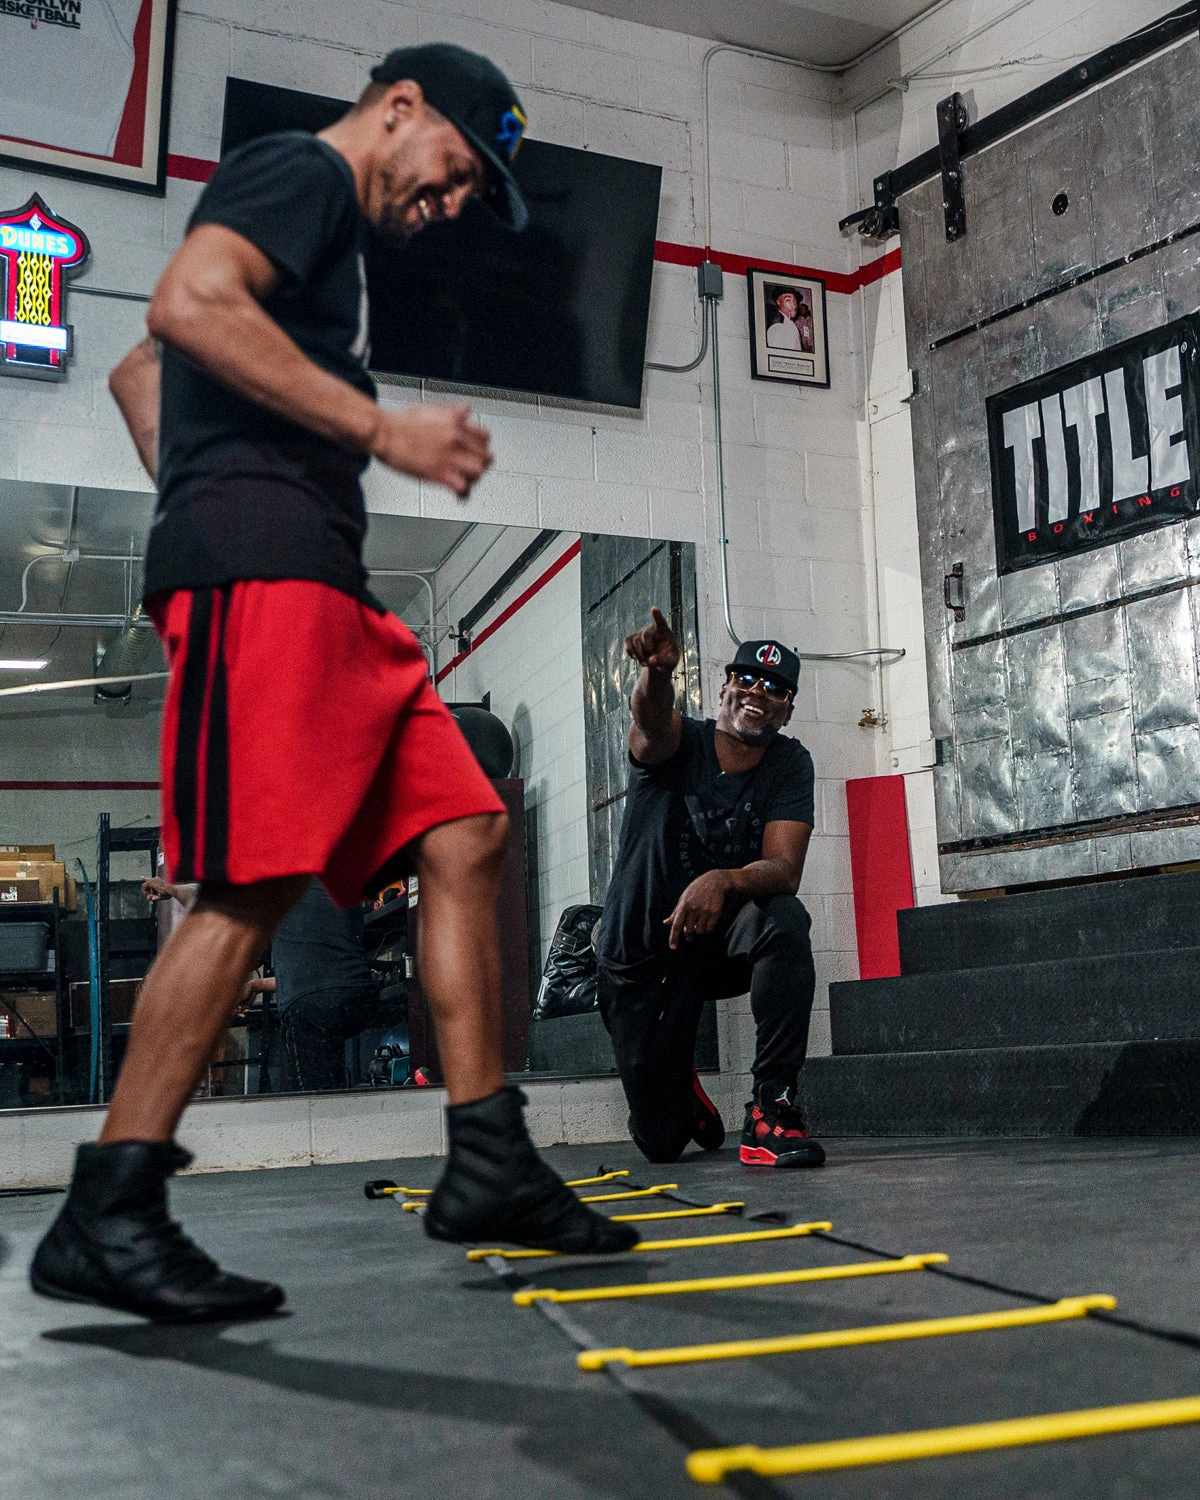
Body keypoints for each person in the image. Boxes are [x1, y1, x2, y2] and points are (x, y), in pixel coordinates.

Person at [31, 43, 635, 1324]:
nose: (453, 203)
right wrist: (358, 439)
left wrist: (210, 481)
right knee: (251, 883)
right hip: (267, 579)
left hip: (323, 583)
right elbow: (187, 304)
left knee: (468, 830)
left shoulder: (329, 245)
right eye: (456, 171)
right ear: (401, 109)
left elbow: (141, 375)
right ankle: (110, 1210)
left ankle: (488, 1159)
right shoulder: (300, 172)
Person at [595, 608, 825, 1170]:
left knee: (784, 919)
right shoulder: (680, 741)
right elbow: (650, 723)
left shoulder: (789, 763)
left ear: (787, 708)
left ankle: (772, 1108)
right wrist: (657, 674)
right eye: (747, 679)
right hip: (640, 952)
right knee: (661, 1143)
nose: (758, 693)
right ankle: (678, 1087)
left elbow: (784, 867)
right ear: (724, 686)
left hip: (714, 944)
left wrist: (724, 879)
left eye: (775, 689)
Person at [271, 880, 403, 1092]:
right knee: (330, 1082)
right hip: (357, 993)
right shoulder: (337, 878)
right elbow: (320, 971)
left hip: (310, 1006)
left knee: (308, 1098)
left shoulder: (281, 886)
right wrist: (256, 984)